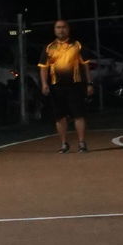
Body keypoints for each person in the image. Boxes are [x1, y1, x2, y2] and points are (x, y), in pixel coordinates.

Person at [38, 18, 93, 151]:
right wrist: (44, 84)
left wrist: (89, 83)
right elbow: (43, 67)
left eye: (63, 27)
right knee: (59, 116)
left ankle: (81, 143)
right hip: (56, 87)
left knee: (78, 114)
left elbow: (86, 66)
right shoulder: (49, 47)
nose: (61, 30)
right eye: (58, 27)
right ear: (54, 30)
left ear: (68, 29)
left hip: (75, 85)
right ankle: (64, 143)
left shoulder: (77, 45)